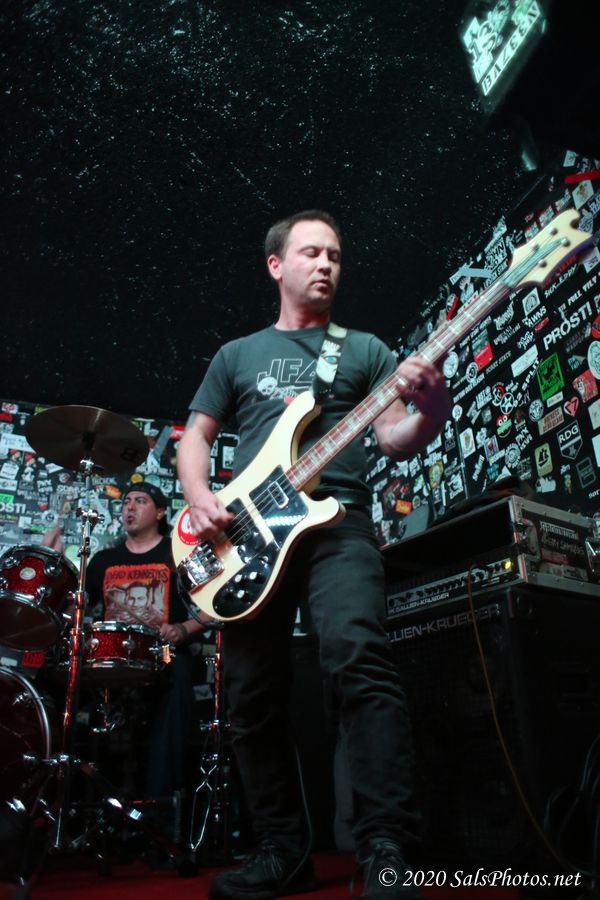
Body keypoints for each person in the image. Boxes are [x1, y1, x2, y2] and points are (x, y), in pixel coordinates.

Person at [176, 210, 451, 899]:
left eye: (334, 255)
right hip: (247, 538)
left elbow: (393, 440)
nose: (326, 264)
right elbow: (195, 437)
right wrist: (199, 496)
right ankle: (282, 852)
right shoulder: (237, 355)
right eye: (311, 253)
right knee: (250, 695)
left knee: (358, 656)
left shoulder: (364, 351)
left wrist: (433, 406)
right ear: (277, 265)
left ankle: (386, 847)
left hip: (338, 522)